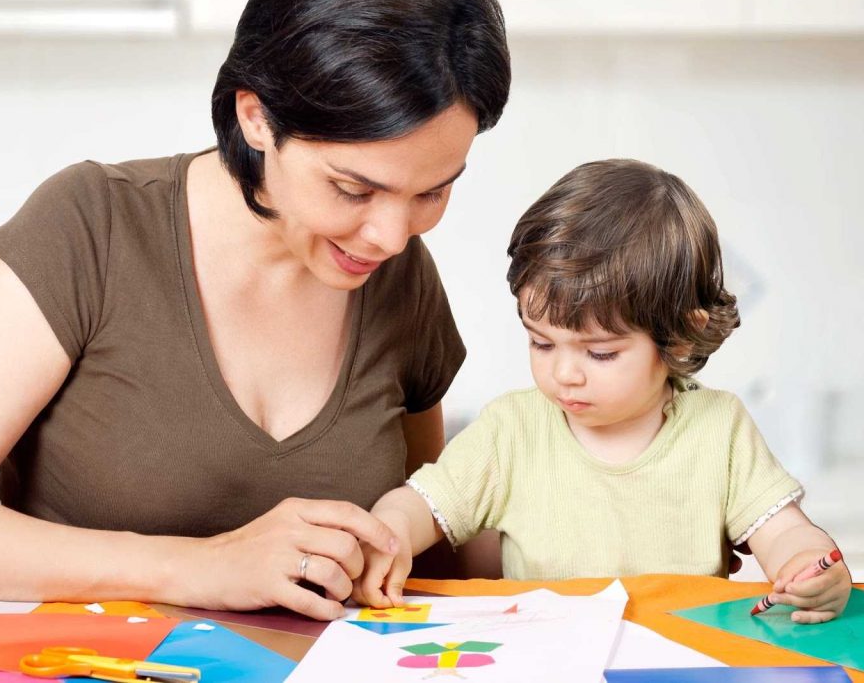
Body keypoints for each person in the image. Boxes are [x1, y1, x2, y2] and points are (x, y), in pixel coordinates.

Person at [0, 0, 511, 620]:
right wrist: (202, 567)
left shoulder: (399, 278)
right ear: (256, 118)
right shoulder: (91, 229)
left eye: (433, 191)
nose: (390, 234)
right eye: (353, 189)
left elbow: (421, 559)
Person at [354, 159, 852, 624]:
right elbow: (420, 504)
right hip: (547, 662)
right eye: (541, 342)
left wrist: (809, 566)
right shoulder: (511, 429)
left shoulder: (719, 428)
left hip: (677, 659)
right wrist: (390, 533)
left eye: (600, 353)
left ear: (677, 337)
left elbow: (785, 532)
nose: (565, 373)